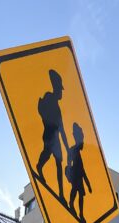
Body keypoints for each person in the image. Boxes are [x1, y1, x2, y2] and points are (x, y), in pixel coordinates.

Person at [36, 68, 69, 205]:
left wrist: (68, 149)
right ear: (56, 88)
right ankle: (39, 166)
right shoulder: (49, 97)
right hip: (49, 135)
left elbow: (62, 130)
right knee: (47, 154)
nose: (61, 92)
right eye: (60, 89)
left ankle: (61, 194)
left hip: (55, 138)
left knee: (58, 162)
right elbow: (43, 112)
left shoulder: (58, 107)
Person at [66, 122, 92, 223]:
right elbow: (69, 163)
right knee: (75, 190)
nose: (83, 142)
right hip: (75, 176)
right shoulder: (73, 150)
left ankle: (81, 213)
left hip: (79, 176)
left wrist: (89, 186)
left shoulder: (77, 152)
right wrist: (69, 173)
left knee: (81, 194)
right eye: (81, 139)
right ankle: (71, 203)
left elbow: (84, 173)